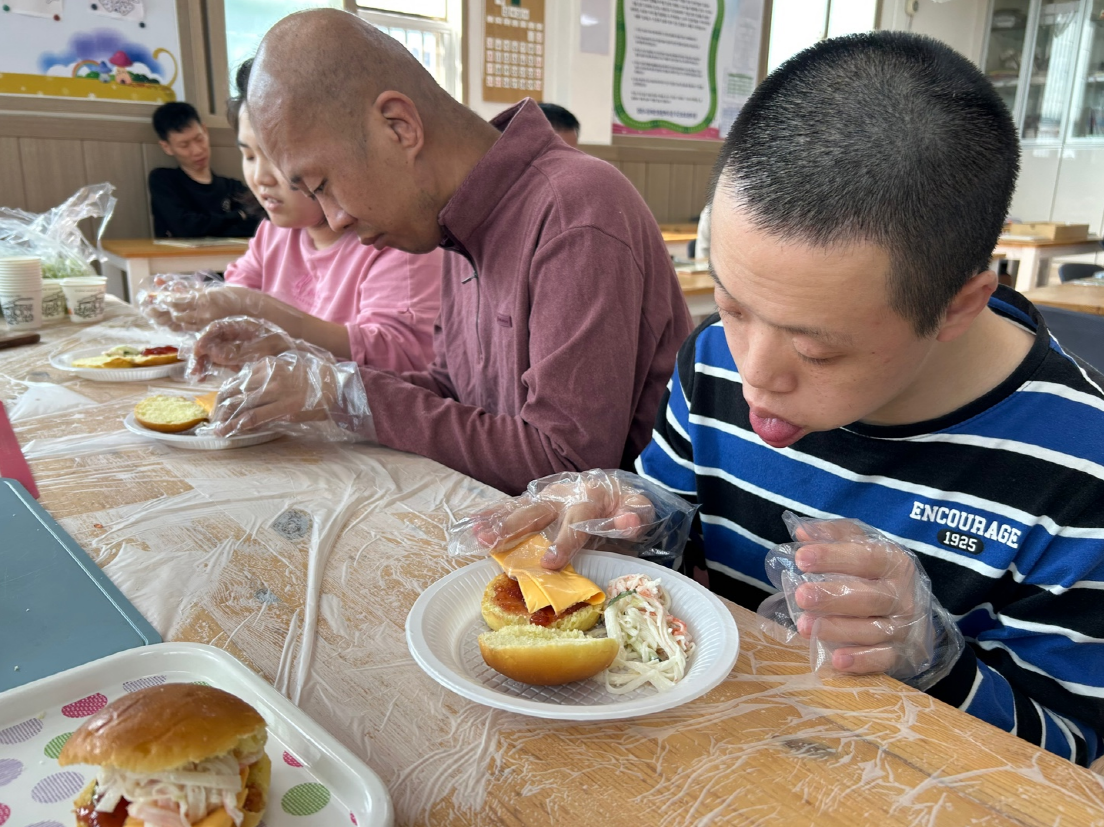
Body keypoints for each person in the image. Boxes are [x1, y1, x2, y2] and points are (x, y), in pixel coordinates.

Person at [465, 32, 1104, 767]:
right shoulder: (711, 361)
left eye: (817, 350)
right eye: (732, 305)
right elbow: (679, 528)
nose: (754, 373)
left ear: (960, 306)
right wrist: (628, 521)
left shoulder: (1080, 466)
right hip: (714, 761)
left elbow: (1071, 756)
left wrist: (933, 657)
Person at [198, 9, 692, 494]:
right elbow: (456, 391)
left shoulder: (574, 209)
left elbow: (564, 465)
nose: (335, 219)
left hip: (608, 561)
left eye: (323, 184)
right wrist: (314, 375)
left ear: (399, 126)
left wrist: (348, 393)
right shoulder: (455, 222)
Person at [142, 61, 443, 374]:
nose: (260, 178)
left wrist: (256, 307)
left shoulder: (399, 240)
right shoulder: (275, 234)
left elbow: (399, 356)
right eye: (248, 155)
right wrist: (194, 307)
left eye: (276, 158)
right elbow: (236, 297)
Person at [149, 101, 260, 239]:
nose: (197, 150)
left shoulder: (232, 188)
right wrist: (237, 216)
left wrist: (208, 226)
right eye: (184, 145)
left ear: (205, 131)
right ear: (167, 147)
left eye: (199, 139)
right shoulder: (163, 181)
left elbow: (258, 225)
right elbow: (185, 228)